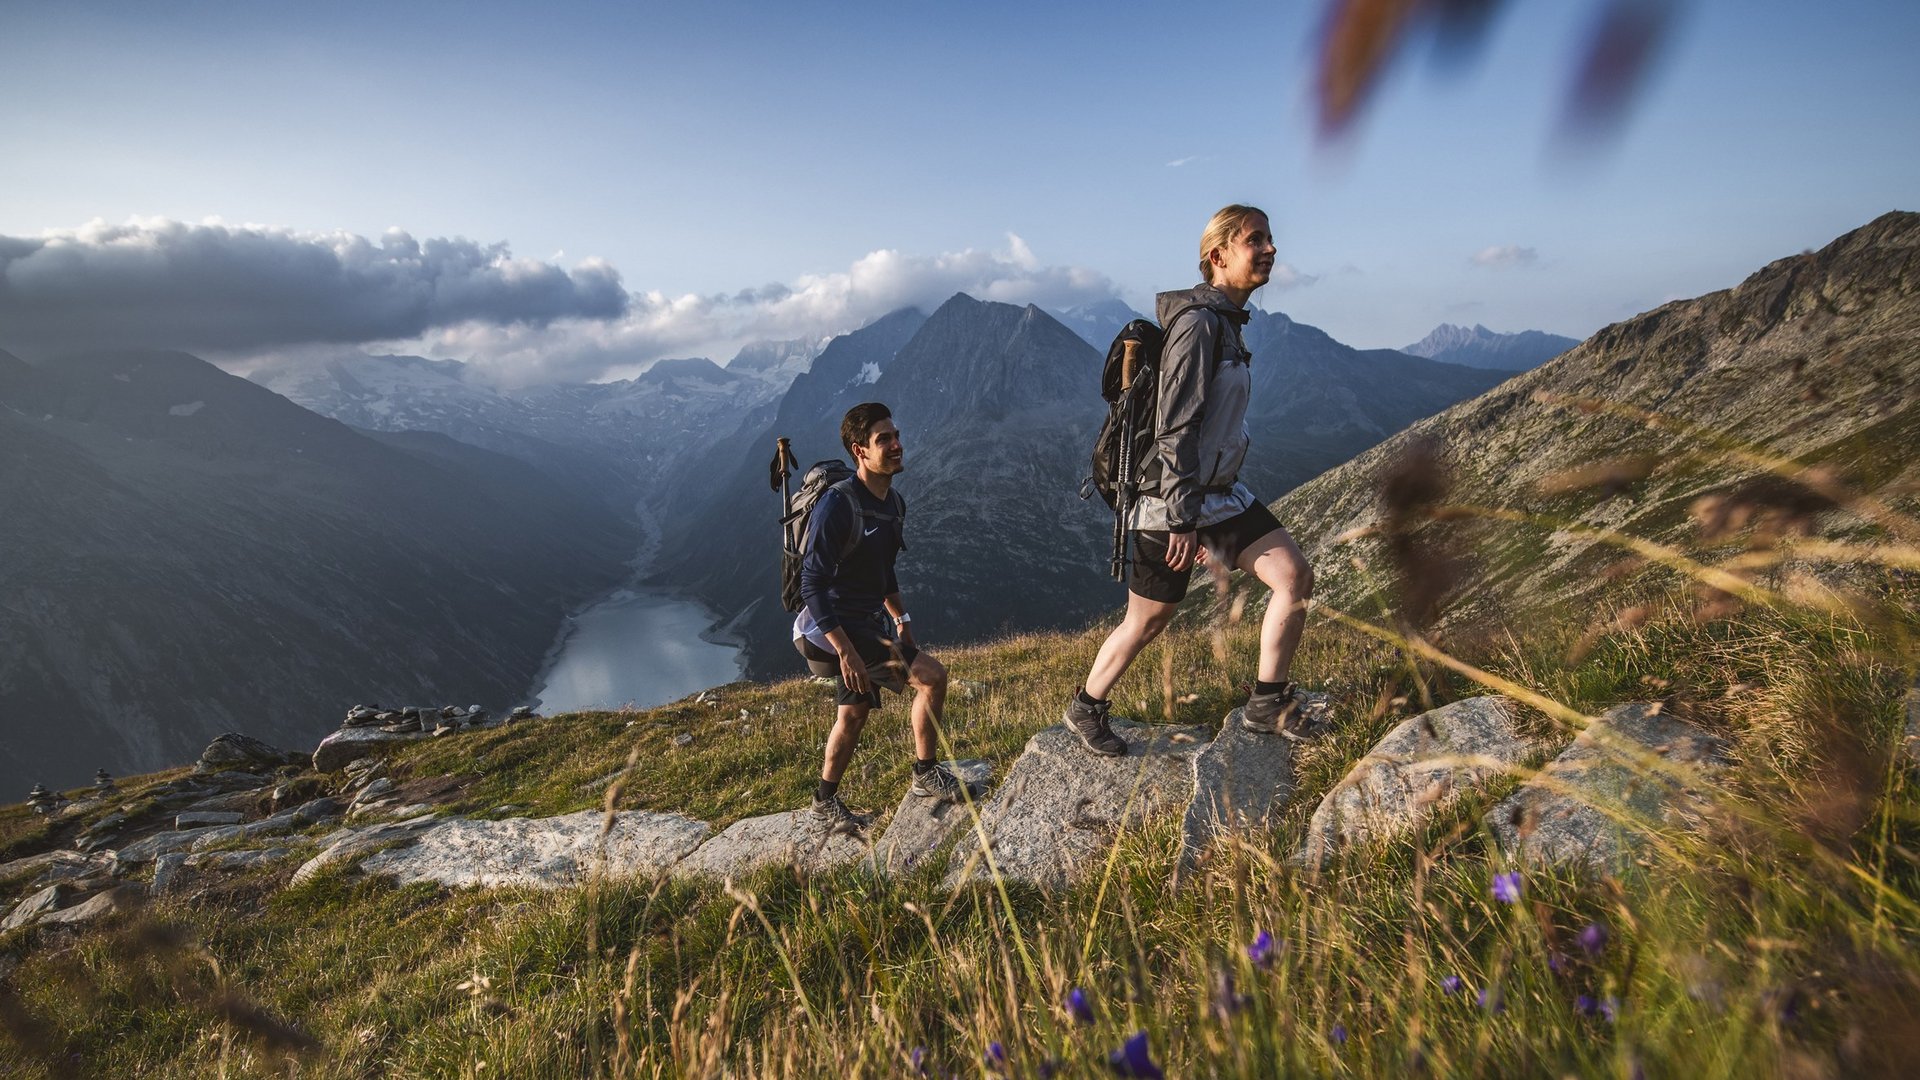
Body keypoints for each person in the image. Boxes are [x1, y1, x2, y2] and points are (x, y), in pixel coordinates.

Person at [1064, 204, 1319, 755]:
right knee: (1149, 619)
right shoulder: (1199, 325)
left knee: (1294, 576)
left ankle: (1266, 703)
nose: (1271, 249)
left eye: (1271, 239)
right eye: (1257, 240)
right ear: (1218, 256)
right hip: (1172, 501)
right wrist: (1183, 520)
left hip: (1219, 497)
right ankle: (1085, 708)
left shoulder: (1226, 323)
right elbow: (1174, 427)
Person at [793, 402, 962, 833]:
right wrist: (846, 653)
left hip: (864, 623)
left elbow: (882, 570)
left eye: (896, 435)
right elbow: (811, 584)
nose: (896, 445)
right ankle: (926, 773)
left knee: (853, 715)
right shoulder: (837, 505)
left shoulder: (893, 504)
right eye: (883, 439)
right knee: (932, 677)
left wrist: (901, 618)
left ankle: (823, 800)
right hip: (831, 627)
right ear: (859, 451)